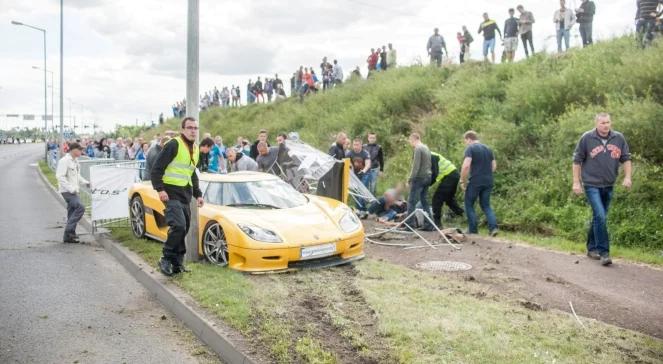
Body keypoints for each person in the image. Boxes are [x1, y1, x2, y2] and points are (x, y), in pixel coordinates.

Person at [572, 113, 632, 266]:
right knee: (600, 216)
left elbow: (626, 158)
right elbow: (577, 160)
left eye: (608, 122)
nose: (606, 125)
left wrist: (627, 177)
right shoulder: (587, 138)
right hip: (591, 184)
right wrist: (576, 182)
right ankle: (604, 252)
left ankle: (591, 248)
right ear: (596, 123)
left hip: (609, 185)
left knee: (599, 217)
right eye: (603, 123)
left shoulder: (618, 138)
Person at [151, 117, 204, 276]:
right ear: (183, 130)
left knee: (184, 228)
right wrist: (160, 189)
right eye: (189, 127)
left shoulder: (195, 148)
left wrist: (198, 194)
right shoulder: (174, 144)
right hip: (170, 193)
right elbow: (156, 169)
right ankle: (166, 258)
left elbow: (191, 173)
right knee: (178, 226)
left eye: (195, 128)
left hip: (185, 195)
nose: (193, 130)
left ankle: (177, 262)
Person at [460, 130, 497, 236]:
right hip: (488, 180)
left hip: (476, 181)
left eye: (465, 141)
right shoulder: (488, 149)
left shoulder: (470, 148)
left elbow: (466, 165)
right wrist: (486, 173)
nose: (465, 143)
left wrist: (463, 180)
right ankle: (493, 228)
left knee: (469, 203)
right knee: (486, 205)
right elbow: (494, 166)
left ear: (469, 139)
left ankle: (473, 229)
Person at [56, 142, 89, 244]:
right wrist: (71, 189)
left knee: (72, 211)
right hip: (67, 191)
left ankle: (68, 237)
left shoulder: (75, 161)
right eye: (79, 150)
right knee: (80, 207)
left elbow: (77, 176)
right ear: (73, 150)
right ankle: (69, 230)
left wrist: (86, 183)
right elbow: (60, 176)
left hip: (74, 190)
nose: (81, 152)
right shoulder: (64, 161)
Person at [404, 133, 434, 231]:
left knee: (411, 201)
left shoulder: (418, 148)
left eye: (410, 141)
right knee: (424, 201)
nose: (410, 143)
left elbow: (415, 166)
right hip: (428, 177)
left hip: (419, 178)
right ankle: (429, 224)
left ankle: (409, 225)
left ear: (413, 139)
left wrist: (410, 178)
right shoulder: (426, 147)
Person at [430, 151, 464, 227]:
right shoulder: (430, 155)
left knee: (437, 199)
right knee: (449, 200)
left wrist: (427, 184)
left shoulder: (432, 156)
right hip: (452, 175)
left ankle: (437, 224)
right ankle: (463, 214)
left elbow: (434, 173)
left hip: (450, 176)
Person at [346, 138, 372, 211]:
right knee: (356, 191)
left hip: (365, 174)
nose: (355, 146)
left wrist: (363, 171)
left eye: (357, 145)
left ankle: (360, 209)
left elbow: (368, 164)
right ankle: (361, 209)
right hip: (356, 174)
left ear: (361, 145)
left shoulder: (365, 153)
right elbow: (348, 163)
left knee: (362, 190)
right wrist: (351, 168)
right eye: (354, 145)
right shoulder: (350, 153)